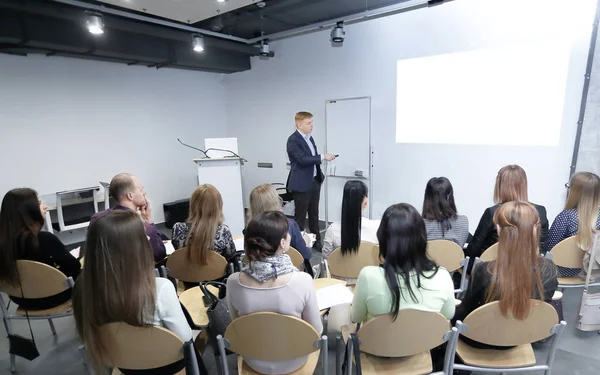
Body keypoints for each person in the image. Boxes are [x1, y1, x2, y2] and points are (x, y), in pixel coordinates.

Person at [73, 210, 192, 372]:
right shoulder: (160, 288)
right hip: (167, 367)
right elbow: (185, 338)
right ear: (131, 249)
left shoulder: (83, 289)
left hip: (123, 366)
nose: (149, 239)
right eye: (144, 236)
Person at [226, 211, 322, 374]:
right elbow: (316, 331)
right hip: (294, 358)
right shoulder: (303, 281)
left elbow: (237, 326)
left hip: (253, 358)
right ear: (283, 243)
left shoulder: (234, 282)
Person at [454, 201, 558, 349]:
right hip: (520, 337)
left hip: (481, 339)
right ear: (536, 230)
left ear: (499, 230)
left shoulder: (484, 272)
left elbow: (467, 313)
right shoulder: (549, 271)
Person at [352, 203, 455, 324]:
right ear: (422, 238)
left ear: (383, 240)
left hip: (380, 343)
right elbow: (449, 314)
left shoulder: (368, 276)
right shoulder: (442, 276)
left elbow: (356, 317)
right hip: (425, 343)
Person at [0, 188, 80, 310]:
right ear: (26, 211)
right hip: (56, 296)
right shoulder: (45, 240)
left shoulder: (4, 244)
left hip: (21, 299)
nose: (45, 207)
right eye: (39, 203)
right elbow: (74, 267)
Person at [466, 165, 549, 263]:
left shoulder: (493, 212)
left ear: (500, 186)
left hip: (494, 271)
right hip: (529, 271)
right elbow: (542, 249)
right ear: (524, 184)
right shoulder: (540, 211)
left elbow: (473, 249)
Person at [286, 111, 336, 250]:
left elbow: (312, 158)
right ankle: (298, 245)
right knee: (300, 217)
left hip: (314, 181)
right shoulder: (293, 140)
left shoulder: (310, 138)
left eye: (312, 122)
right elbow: (302, 160)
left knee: (314, 213)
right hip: (301, 184)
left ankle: (316, 242)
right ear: (299, 124)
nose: (312, 125)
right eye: (309, 123)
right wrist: (323, 156)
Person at [90, 173, 166, 262]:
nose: (144, 193)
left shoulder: (97, 218)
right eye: (141, 190)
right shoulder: (139, 225)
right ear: (130, 196)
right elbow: (159, 254)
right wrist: (149, 221)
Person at [546, 172, 600, 276]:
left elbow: (550, 250)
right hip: (588, 271)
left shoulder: (566, 216)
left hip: (559, 271)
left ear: (575, 192)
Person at [171, 184, 236, 261]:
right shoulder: (223, 231)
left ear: (192, 205)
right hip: (215, 273)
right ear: (218, 206)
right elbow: (231, 256)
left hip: (186, 272)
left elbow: (177, 252)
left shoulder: (178, 228)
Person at [249, 184, 311, 260]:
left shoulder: (250, 229)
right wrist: (307, 244)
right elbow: (306, 255)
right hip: (289, 269)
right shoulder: (289, 225)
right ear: (276, 202)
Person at [322, 180, 379, 258]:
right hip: (367, 269)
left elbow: (326, 259)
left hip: (340, 270)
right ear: (365, 202)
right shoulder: (376, 228)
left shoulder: (332, 230)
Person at [422, 177, 469, 248]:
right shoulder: (463, 222)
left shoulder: (419, 225)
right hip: (453, 259)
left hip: (427, 259)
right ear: (450, 197)